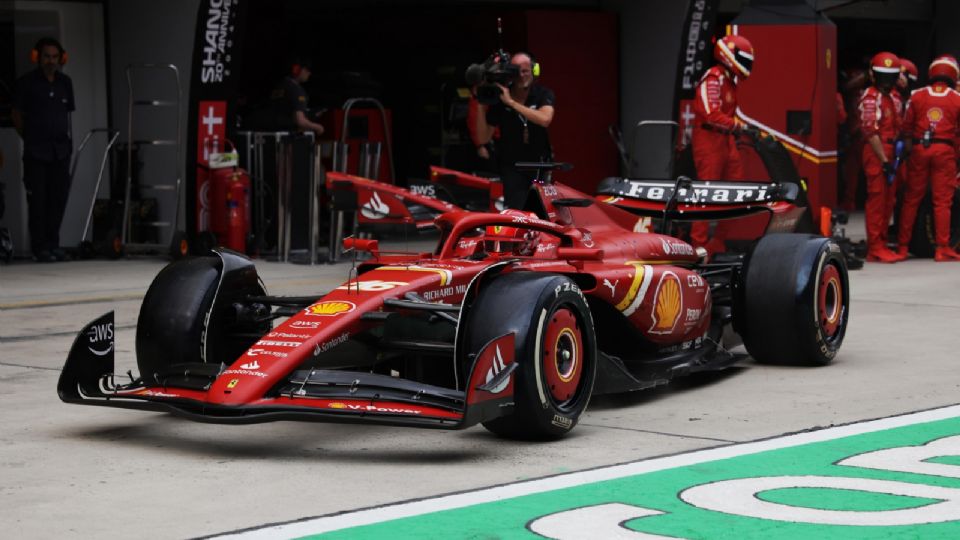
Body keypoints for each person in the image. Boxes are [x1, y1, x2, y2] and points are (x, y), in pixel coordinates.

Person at [689, 34, 756, 256]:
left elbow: (728, 115)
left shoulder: (729, 81)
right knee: (705, 194)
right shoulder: (713, 78)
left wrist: (739, 126)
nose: (747, 66)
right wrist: (737, 125)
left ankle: (718, 242)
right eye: (744, 59)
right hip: (709, 141)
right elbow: (710, 114)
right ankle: (697, 245)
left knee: (735, 191)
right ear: (729, 56)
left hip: (726, 140)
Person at [12, 37, 74, 262]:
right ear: (37, 58)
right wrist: (30, 137)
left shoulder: (65, 83)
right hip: (36, 152)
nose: (51, 61)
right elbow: (17, 115)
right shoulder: (26, 83)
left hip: (60, 152)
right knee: (38, 201)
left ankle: (53, 244)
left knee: (57, 200)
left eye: (55, 57)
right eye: (46, 56)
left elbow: (67, 115)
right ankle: (40, 247)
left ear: (61, 58)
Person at [894, 55, 960, 262]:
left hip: (920, 149)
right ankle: (942, 248)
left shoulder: (916, 95)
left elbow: (906, 127)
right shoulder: (957, 98)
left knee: (912, 199)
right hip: (945, 151)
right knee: (942, 202)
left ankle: (902, 247)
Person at [474, 52, 555, 209]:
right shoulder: (501, 98)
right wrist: (480, 103)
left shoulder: (542, 94)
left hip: (540, 166)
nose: (522, 75)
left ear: (534, 71)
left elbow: (545, 119)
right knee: (516, 211)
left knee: (541, 209)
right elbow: (484, 137)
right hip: (513, 167)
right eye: (517, 72)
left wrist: (512, 103)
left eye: (525, 71)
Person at [857, 52, 903, 263]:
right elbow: (870, 132)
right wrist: (884, 160)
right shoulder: (869, 97)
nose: (887, 80)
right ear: (873, 75)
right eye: (883, 75)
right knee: (877, 199)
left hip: (893, 151)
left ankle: (882, 243)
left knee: (889, 200)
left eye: (890, 76)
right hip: (877, 153)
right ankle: (874, 247)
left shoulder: (895, 97)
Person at [269, 58, 325, 136]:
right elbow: (300, 121)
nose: (309, 73)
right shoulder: (296, 89)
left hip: (273, 135)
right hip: (289, 138)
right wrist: (318, 127)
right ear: (297, 69)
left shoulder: (279, 86)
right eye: (307, 69)